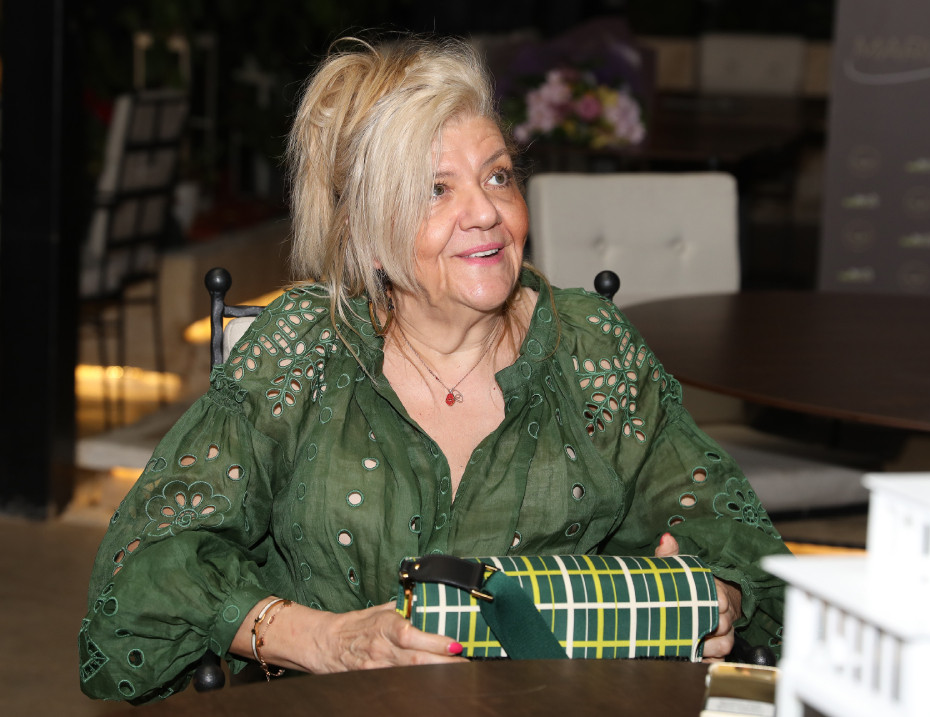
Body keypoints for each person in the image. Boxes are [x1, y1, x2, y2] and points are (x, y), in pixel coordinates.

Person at [79, 34, 790, 704]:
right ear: (365, 234)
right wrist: (326, 640)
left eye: (498, 176)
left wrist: (716, 597)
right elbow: (141, 575)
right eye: (436, 189)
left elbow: (738, 545)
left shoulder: (589, 351)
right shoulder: (305, 350)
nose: (486, 212)